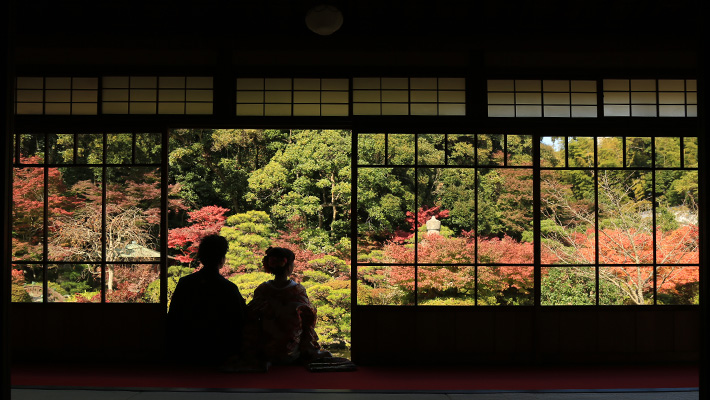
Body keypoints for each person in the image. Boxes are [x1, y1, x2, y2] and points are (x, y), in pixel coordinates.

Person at [167, 234, 247, 366]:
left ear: (201, 258)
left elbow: (173, 317)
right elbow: (239, 319)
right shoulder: (229, 288)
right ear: (222, 259)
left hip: (186, 349)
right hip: (220, 351)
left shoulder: (185, 283)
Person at [244, 247, 331, 367]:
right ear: (289, 266)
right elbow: (308, 323)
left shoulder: (262, 290)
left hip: (265, 351)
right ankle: (308, 351)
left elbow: (251, 318)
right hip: (292, 351)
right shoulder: (297, 290)